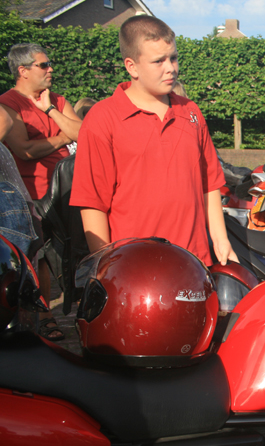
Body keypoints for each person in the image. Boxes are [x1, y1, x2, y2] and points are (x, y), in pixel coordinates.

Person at [70, 15, 236, 269]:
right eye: (158, 61)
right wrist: (107, 265)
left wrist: (221, 240)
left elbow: (209, 183)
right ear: (132, 66)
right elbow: (92, 202)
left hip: (194, 263)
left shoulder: (191, 111)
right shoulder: (103, 118)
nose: (170, 68)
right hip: (134, 268)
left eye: (173, 58)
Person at [0, 43, 83, 341]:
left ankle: (79, 311)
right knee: (40, 256)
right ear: (23, 71)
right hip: (30, 193)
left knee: (71, 252)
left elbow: (85, 133)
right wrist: (64, 134)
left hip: (68, 190)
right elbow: (24, 150)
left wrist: (49, 109)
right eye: (44, 65)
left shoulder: (56, 100)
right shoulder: (9, 104)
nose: (51, 70)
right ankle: (43, 318)